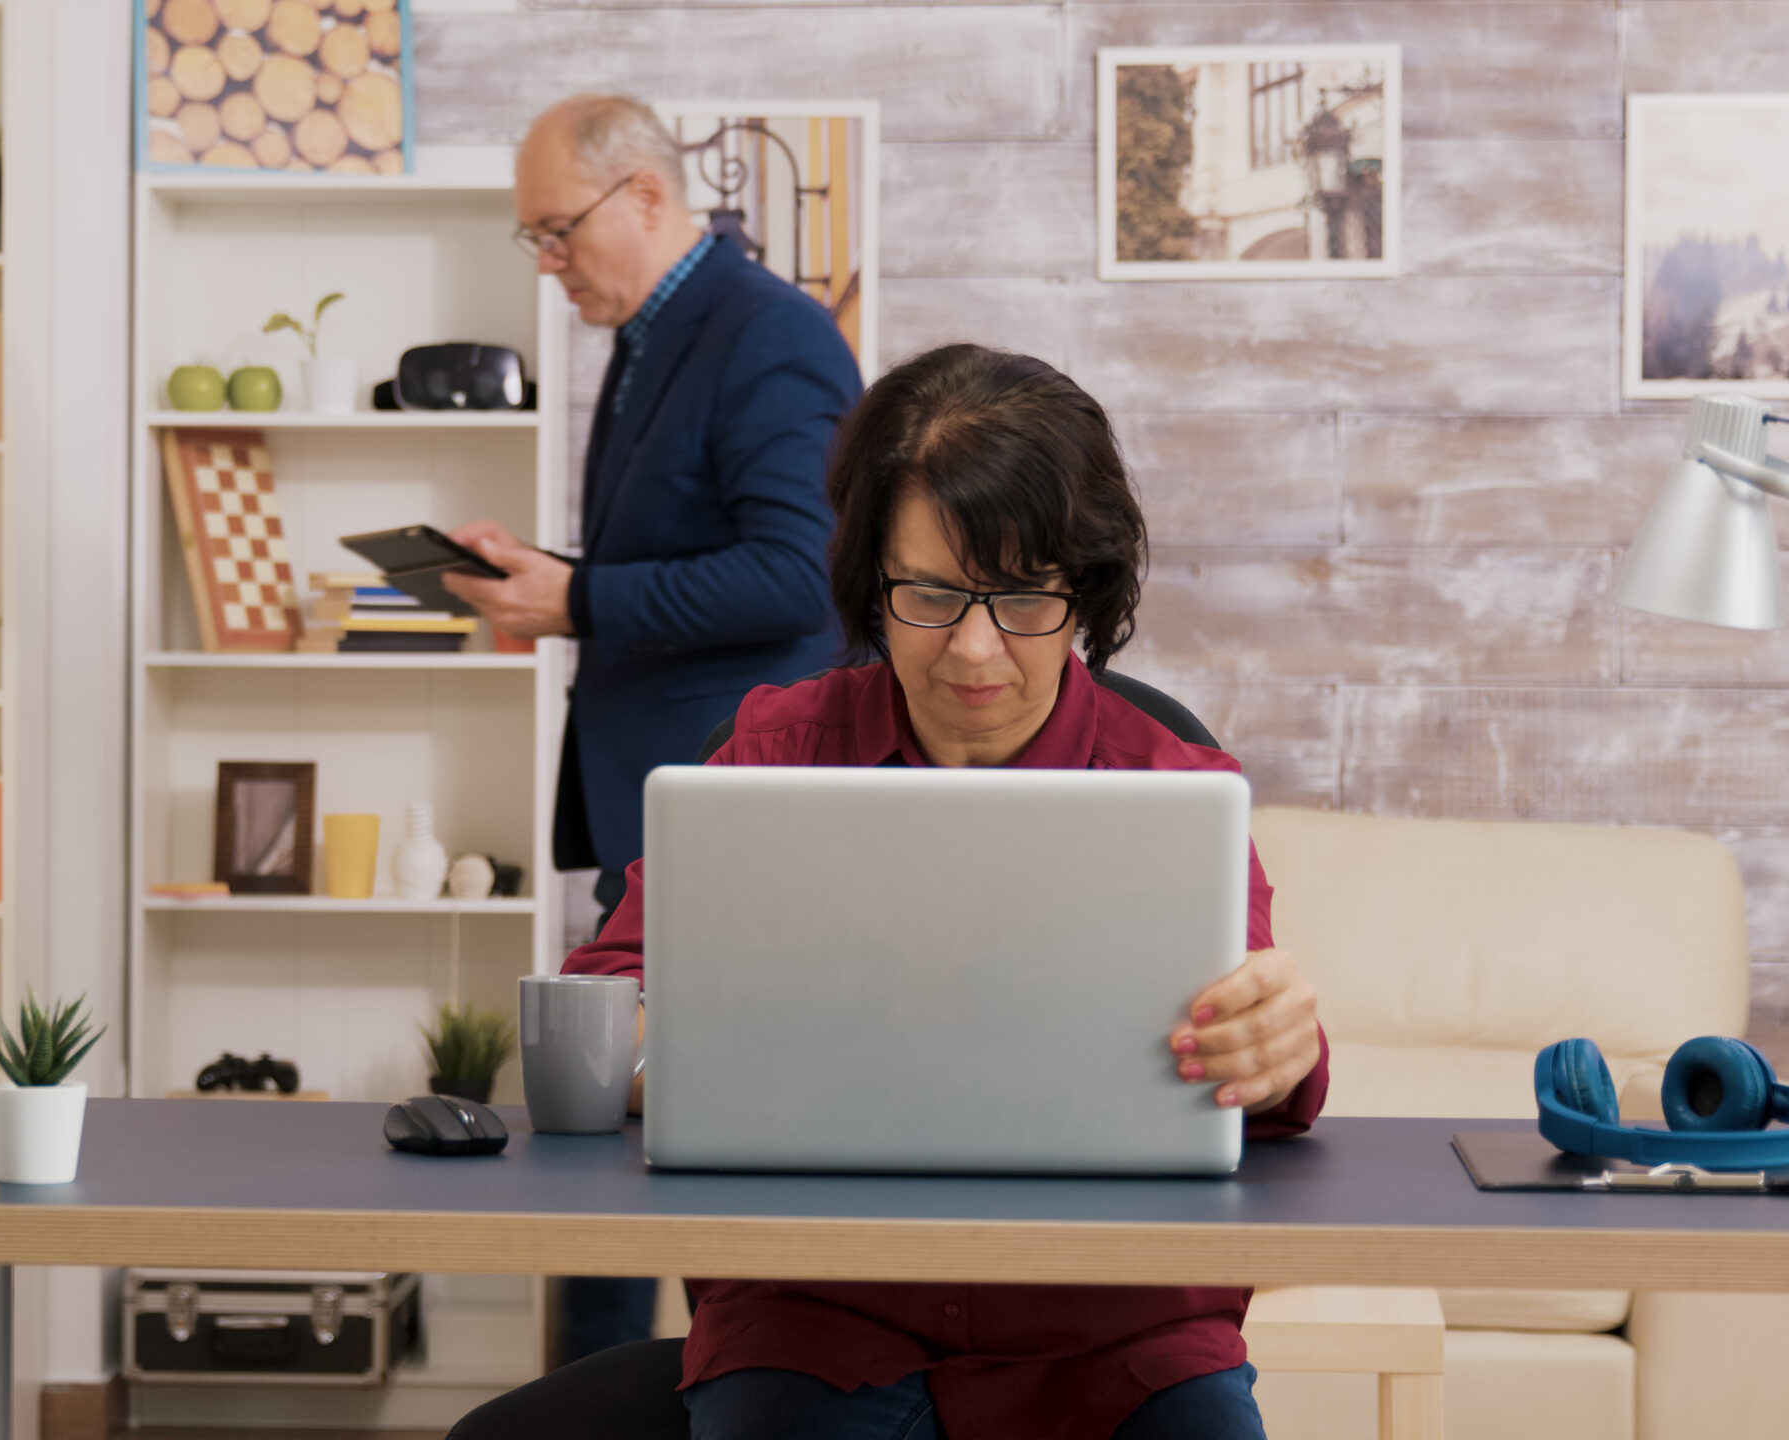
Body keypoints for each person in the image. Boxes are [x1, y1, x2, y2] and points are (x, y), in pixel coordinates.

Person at [449, 344, 1328, 1440]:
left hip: (1116, 1339)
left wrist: (1278, 1046)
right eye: (928, 595)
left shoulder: (1175, 789)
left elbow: (1265, 1061)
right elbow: (605, 1002)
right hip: (814, 1318)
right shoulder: (773, 755)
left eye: (1017, 597)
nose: (970, 649)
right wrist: (662, 1050)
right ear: (873, 581)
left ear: (1083, 589)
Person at [442, 94, 863, 1364]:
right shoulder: (658, 332)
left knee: (668, 1146)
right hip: (658, 803)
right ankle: (610, 1389)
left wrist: (577, 596)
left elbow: (803, 574)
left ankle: (730, 1385)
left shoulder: (770, 337)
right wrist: (550, 580)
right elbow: (693, 557)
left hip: (725, 819)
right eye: (534, 240)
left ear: (644, 195)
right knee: (606, 1133)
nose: (548, 261)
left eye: (557, 231)